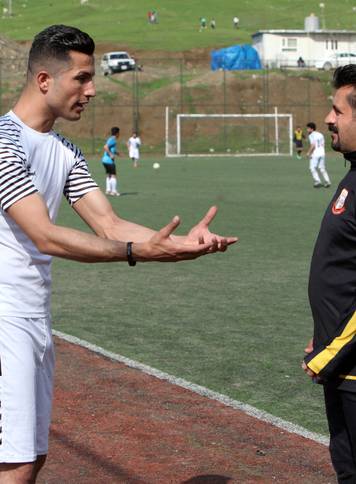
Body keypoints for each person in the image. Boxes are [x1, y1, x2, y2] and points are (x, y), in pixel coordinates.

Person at [0, 24, 237, 483]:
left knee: (32, 455)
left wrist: (179, 244)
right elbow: (44, 235)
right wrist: (137, 251)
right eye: (82, 79)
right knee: (17, 463)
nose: (92, 90)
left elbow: (108, 222)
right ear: (44, 80)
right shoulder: (3, 142)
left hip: (34, 318)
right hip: (4, 319)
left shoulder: (64, 150)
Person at [302, 64, 356, 482]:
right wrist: (324, 333)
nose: (328, 119)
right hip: (343, 364)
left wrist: (330, 351)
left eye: (338, 110)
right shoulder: (352, 177)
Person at [306, 122, 331, 188]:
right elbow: (323, 144)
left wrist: (309, 153)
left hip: (316, 154)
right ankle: (327, 181)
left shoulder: (311, 135)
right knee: (322, 168)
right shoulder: (320, 134)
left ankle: (317, 181)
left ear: (312, 129)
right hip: (322, 153)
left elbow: (313, 145)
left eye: (308, 128)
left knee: (312, 168)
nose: (307, 130)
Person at [102, 126, 120, 196]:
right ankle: (114, 191)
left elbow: (111, 148)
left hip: (104, 160)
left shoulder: (111, 139)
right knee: (113, 175)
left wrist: (117, 153)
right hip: (109, 161)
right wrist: (111, 155)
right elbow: (105, 147)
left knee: (109, 175)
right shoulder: (113, 139)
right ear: (117, 133)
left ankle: (108, 190)